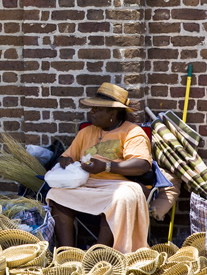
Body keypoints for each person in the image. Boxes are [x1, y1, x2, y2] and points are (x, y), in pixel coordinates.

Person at [46, 82, 152, 254]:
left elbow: (142, 165)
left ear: (113, 112)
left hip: (118, 185)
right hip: (86, 184)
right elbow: (67, 155)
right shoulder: (86, 132)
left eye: (97, 109)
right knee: (56, 194)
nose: (91, 112)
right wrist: (65, 160)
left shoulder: (132, 132)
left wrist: (107, 166)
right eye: (92, 108)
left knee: (121, 198)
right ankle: (67, 253)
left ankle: (98, 253)